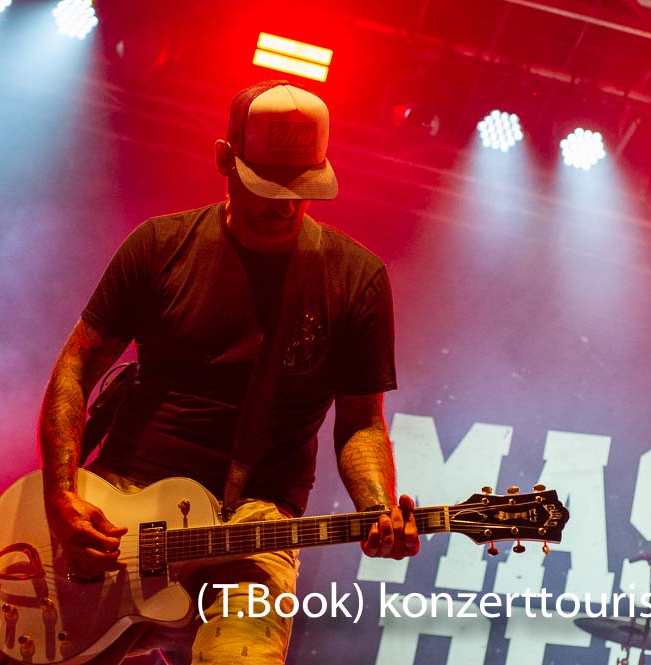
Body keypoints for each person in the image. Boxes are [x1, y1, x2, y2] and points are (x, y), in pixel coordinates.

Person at [37, 80, 420, 665]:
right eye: (268, 186)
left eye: (302, 189)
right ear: (224, 158)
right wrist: (61, 496)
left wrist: (376, 507)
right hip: (122, 506)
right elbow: (76, 367)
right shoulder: (159, 246)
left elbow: (361, 423)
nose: (285, 206)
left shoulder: (355, 279)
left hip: (256, 526)